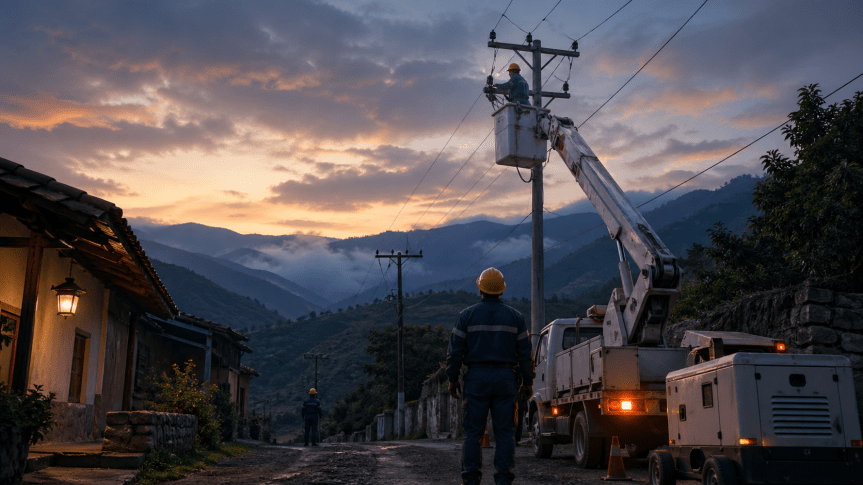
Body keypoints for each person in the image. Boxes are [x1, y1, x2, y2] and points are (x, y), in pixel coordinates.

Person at [446, 267, 535, 485]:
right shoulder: (516, 317)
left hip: (476, 378)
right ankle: (503, 480)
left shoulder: (466, 316)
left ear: (480, 288)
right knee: (505, 434)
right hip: (506, 379)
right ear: (502, 290)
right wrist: (528, 382)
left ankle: (471, 480)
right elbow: (525, 354)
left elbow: (455, 352)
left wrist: (452, 378)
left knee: (473, 433)